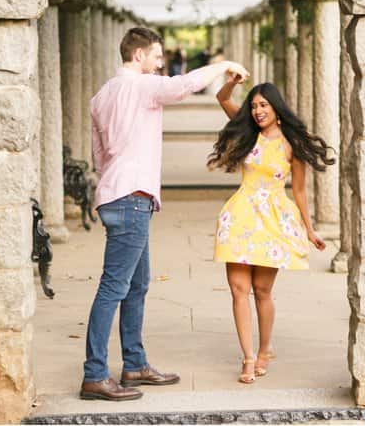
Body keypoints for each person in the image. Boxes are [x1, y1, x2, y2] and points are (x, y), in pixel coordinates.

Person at [79, 27, 249, 401]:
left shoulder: (102, 95)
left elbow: (99, 154)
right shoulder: (143, 86)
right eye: (156, 56)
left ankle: (135, 363)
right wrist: (224, 66)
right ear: (138, 55)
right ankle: (94, 373)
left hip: (117, 193)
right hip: (132, 197)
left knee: (137, 284)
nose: (160, 63)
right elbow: (184, 84)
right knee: (114, 287)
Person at [208, 76, 335, 384]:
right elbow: (223, 99)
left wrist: (310, 229)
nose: (257, 111)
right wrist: (232, 82)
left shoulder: (292, 146)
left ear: (276, 108)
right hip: (240, 217)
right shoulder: (249, 133)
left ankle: (265, 350)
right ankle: (249, 358)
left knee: (262, 291)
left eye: (263, 105)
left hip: (272, 221)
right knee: (239, 290)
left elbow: (301, 192)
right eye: (253, 106)